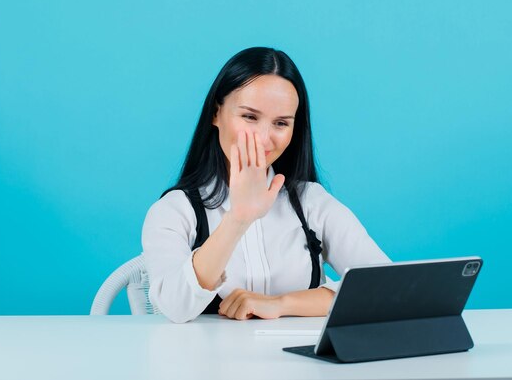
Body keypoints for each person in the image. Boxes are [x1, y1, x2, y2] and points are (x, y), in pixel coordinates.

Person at [142, 47, 390, 323]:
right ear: (216, 113)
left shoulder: (311, 202)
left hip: (302, 364)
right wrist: (238, 219)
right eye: (249, 117)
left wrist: (281, 303)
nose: (263, 138)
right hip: (208, 364)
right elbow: (175, 307)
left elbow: (386, 285)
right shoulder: (175, 211)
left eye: (281, 123)